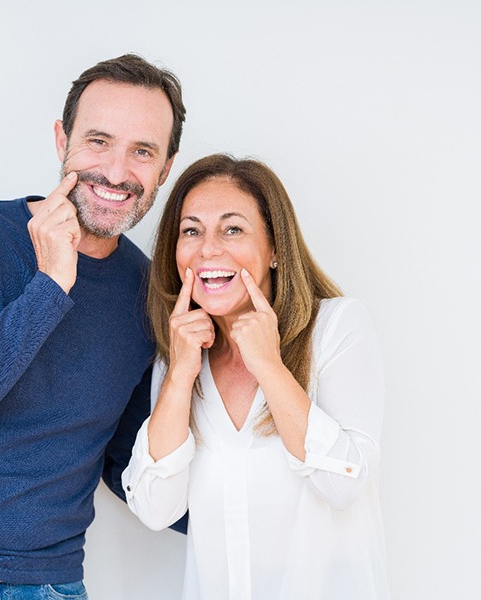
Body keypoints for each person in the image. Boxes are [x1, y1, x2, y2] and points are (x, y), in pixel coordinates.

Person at [0, 54, 185, 599]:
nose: (116, 173)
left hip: (48, 585)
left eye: (142, 151)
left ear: (165, 168)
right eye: (98, 141)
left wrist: (253, 504)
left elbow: (125, 460)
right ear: (61, 138)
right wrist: (49, 287)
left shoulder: (147, 295)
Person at [122, 154, 390, 600]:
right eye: (191, 230)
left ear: (276, 250)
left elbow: (344, 483)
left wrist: (268, 365)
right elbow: (156, 508)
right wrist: (180, 375)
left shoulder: (337, 327)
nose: (208, 249)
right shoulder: (181, 361)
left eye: (233, 229)